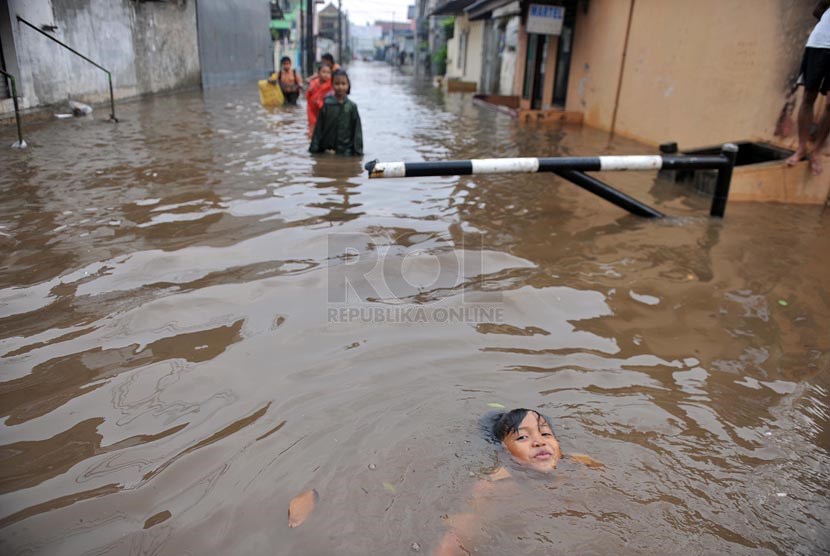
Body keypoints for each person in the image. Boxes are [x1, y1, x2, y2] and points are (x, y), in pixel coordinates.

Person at [434, 408, 602, 556]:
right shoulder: (495, 483)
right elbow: (462, 528)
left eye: (545, 434)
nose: (539, 441)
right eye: (522, 437)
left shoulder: (581, 463)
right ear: (505, 450)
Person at [786, 0, 830, 175]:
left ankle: (816, 151)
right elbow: (818, 10)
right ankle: (801, 148)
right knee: (808, 97)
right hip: (819, 44)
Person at [309, 70, 363, 156]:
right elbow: (318, 129)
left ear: (348, 85)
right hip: (327, 151)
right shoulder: (327, 105)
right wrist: (314, 150)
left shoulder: (352, 107)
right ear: (332, 85)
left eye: (343, 83)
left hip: (346, 153)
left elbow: (357, 131)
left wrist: (358, 152)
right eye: (337, 84)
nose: (340, 87)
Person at [306, 64, 333, 137]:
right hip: (313, 111)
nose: (326, 75)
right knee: (312, 133)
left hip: (325, 111)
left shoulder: (332, 85)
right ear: (318, 73)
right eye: (324, 72)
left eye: (328, 73)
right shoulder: (313, 83)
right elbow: (308, 97)